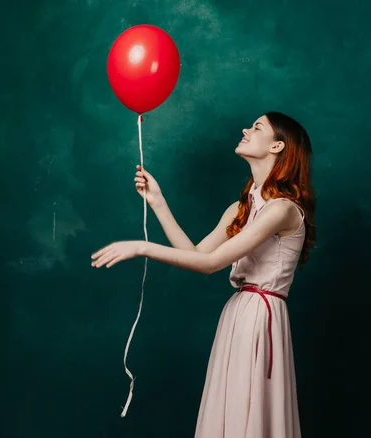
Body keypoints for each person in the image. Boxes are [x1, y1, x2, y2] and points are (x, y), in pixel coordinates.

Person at [91, 111, 316, 438]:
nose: (245, 129)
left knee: (251, 415)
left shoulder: (281, 209)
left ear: (278, 146)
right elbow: (198, 254)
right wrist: (158, 203)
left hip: (259, 318)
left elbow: (210, 265)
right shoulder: (242, 207)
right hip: (238, 314)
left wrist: (142, 247)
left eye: (256, 127)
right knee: (232, 410)